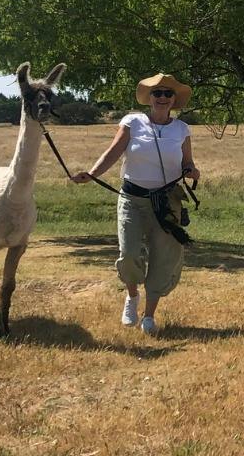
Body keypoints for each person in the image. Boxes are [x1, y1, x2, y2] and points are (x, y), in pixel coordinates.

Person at [72, 72, 200, 335]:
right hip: (132, 198)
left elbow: (188, 162)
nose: (162, 97)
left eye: (167, 93)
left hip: (166, 202)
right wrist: (93, 174)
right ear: (149, 98)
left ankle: (149, 316)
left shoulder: (181, 129)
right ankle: (132, 295)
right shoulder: (132, 122)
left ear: (174, 99)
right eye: (157, 93)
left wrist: (192, 171)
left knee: (163, 257)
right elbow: (113, 151)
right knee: (129, 253)